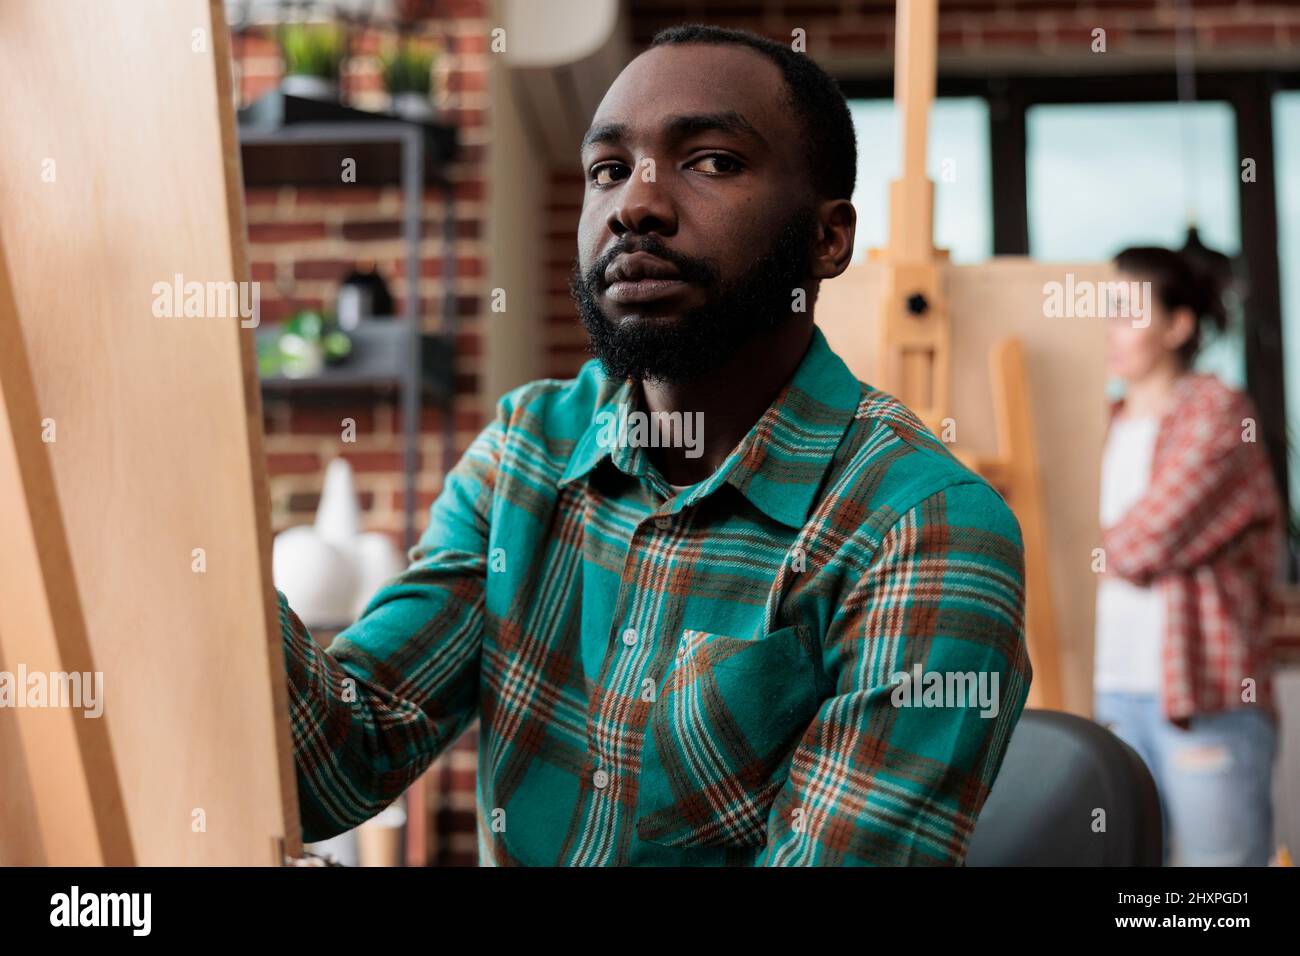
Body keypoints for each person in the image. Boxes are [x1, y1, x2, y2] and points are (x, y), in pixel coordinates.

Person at [279, 25, 1031, 865]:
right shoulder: (526, 450)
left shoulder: (924, 529)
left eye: (710, 161)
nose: (635, 203)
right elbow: (332, 767)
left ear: (829, 238)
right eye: (608, 170)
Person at [1094, 245, 1282, 866]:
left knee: (1215, 892)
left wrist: (1070, 541)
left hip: (1201, 697)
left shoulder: (1218, 412)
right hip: (1109, 692)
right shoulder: (1103, 421)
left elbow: (1145, 542)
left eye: (1126, 311)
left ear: (1178, 325)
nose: (1108, 329)